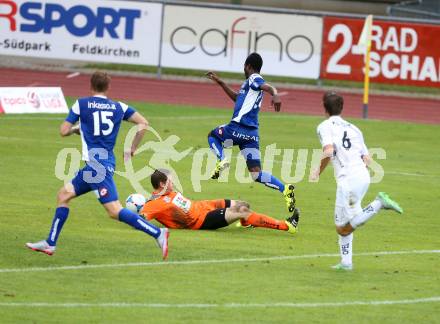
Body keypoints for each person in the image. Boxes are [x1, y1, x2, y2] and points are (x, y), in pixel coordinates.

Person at [26, 71, 169, 259]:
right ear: (108, 87)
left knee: (114, 211)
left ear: (90, 86)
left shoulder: (82, 104)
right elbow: (143, 123)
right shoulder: (119, 107)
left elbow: (63, 130)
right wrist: (132, 148)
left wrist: (76, 130)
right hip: (97, 165)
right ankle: (50, 243)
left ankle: (158, 233)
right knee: (63, 194)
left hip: (97, 167)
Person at [311, 91, 403, 270]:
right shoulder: (354, 128)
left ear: (325, 108)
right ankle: (346, 263)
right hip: (360, 176)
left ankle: (379, 203)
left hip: (349, 180)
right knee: (343, 222)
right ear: (342, 107)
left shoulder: (324, 126)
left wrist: (318, 171)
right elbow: (367, 159)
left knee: (343, 227)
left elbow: (329, 152)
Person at [206, 52, 296, 214]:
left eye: (244, 66)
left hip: (237, 128)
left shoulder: (254, 78)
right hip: (251, 135)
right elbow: (236, 98)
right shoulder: (248, 86)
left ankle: (222, 159)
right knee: (256, 174)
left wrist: (275, 95)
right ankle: (285, 189)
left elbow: (268, 87)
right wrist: (221, 83)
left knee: (212, 135)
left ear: (248, 66)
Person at [139, 169, 300, 233]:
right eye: (170, 180)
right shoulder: (155, 204)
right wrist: (138, 207)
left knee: (243, 204)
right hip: (201, 221)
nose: (173, 183)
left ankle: (248, 221)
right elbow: (141, 218)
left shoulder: (162, 194)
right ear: (161, 184)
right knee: (243, 211)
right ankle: (286, 226)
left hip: (204, 206)